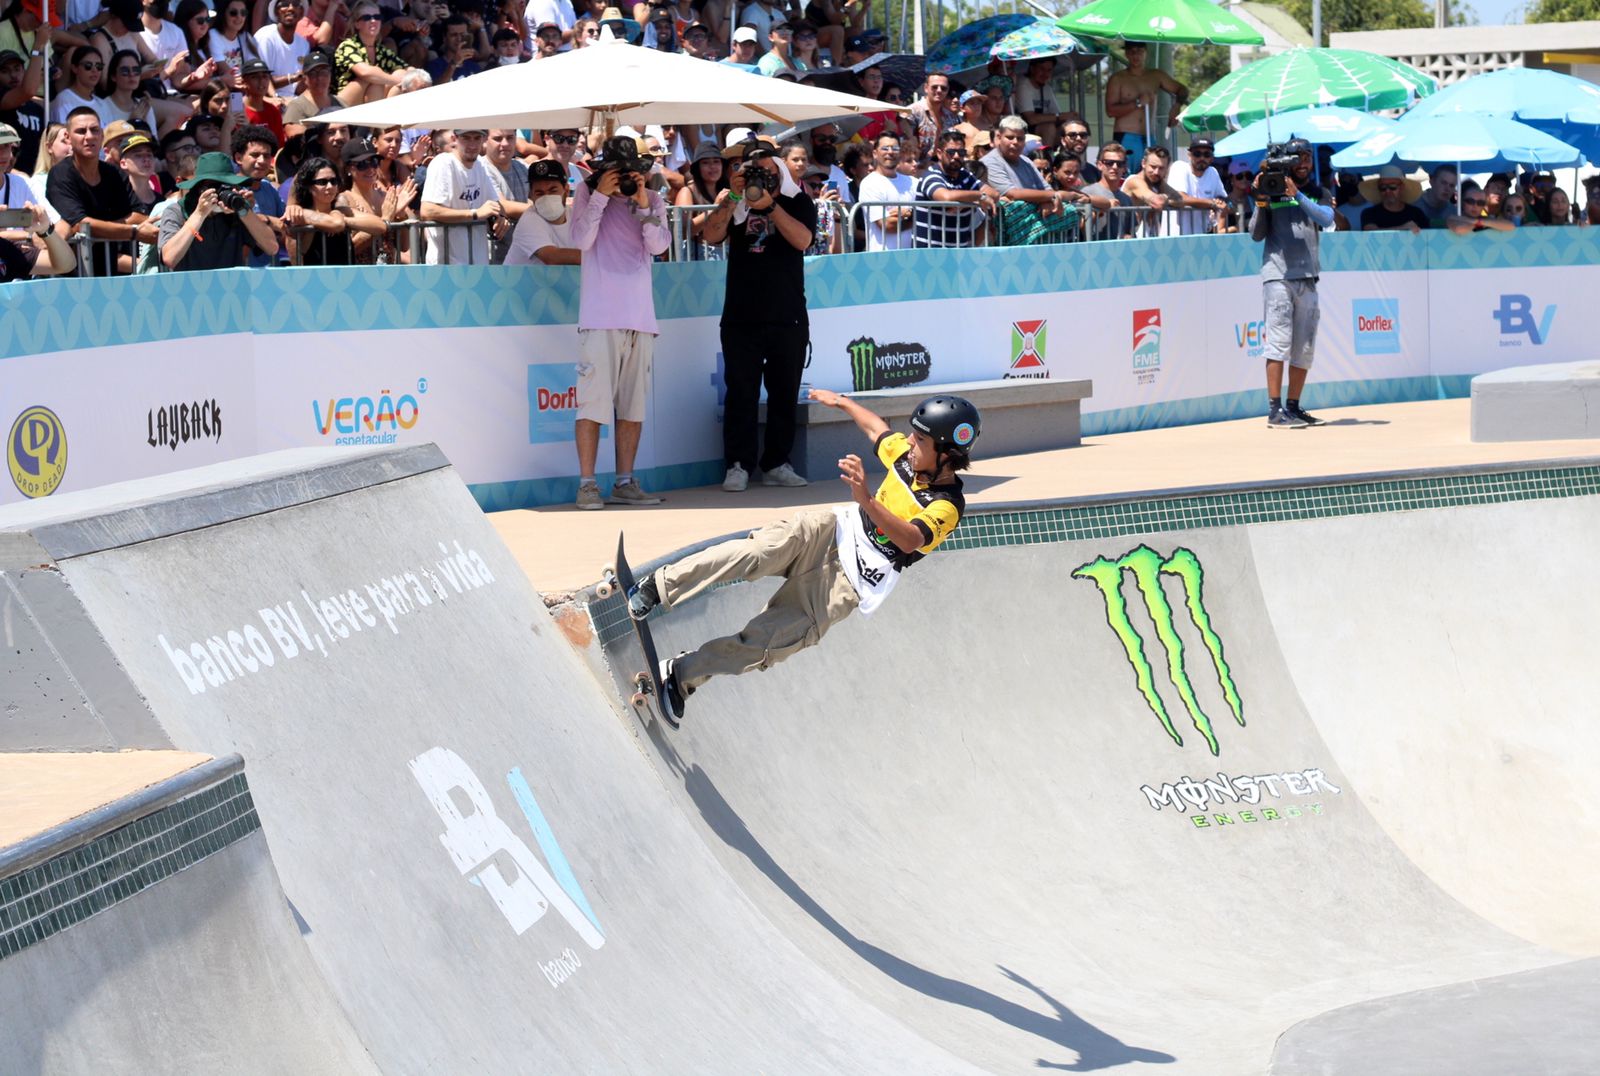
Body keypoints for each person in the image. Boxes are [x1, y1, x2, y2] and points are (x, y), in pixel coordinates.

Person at [626, 391, 980, 720]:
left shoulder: (947, 506)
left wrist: (867, 500)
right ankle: (658, 586)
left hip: (846, 585)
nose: (910, 444)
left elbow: (910, 539)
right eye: (912, 436)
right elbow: (877, 429)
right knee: (755, 551)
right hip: (829, 532)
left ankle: (681, 675)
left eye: (920, 441)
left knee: (763, 646)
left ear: (947, 455)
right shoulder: (905, 455)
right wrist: (841, 402)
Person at [697, 136, 815, 492]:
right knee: (741, 393)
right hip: (741, 315)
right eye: (754, 170)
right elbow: (711, 235)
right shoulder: (733, 200)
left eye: (767, 169)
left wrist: (770, 206)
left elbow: (803, 240)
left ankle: (777, 462)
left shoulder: (797, 200)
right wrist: (734, 198)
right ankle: (738, 464)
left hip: (787, 314)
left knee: (784, 393)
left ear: (778, 169)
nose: (762, 176)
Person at [568, 135, 669, 509]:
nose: (626, 178)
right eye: (619, 172)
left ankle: (625, 482)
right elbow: (580, 240)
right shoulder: (585, 192)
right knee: (591, 405)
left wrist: (642, 204)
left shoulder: (651, 198)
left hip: (640, 318)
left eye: (631, 172)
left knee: (633, 408)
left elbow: (659, 246)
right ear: (605, 170)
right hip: (600, 317)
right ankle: (587, 484)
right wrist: (600, 195)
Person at [1249, 138, 1334, 430]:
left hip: (1308, 276)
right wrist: (1262, 200)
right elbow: (1256, 234)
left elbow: (1326, 218)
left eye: (1307, 156)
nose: (1303, 162)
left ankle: (1294, 407)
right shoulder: (1270, 187)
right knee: (1278, 344)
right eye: (1297, 157)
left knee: (1304, 347)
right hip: (1278, 276)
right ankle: (1275, 411)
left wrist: (1297, 195)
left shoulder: (1318, 192)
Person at [46, 106, 158, 274]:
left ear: (101, 136)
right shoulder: (60, 174)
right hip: (71, 277)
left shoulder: (113, 173)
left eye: (94, 130)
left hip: (110, 273)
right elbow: (79, 223)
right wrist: (133, 232)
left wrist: (100, 228)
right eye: (81, 131)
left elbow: (137, 215)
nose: (89, 136)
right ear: (68, 138)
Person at [157, 149, 278, 269]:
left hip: (230, 281)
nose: (222, 192)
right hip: (190, 281)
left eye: (227, 185)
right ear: (199, 188)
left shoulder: (237, 212)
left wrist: (245, 211)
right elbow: (169, 258)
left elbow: (272, 248)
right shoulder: (177, 211)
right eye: (214, 186)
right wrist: (199, 214)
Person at [419, 128, 505, 265]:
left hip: (477, 264)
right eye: (466, 138)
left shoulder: (480, 164)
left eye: (477, 138)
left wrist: (500, 218)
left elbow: (495, 204)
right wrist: (475, 214)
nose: (472, 145)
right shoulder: (443, 163)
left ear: (483, 140)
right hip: (446, 266)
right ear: (454, 139)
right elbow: (427, 211)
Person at [1105, 41, 1185, 168]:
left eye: (1139, 51)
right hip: (1127, 136)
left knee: (1151, 174)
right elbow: (1110, 111)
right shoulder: (1118, 79)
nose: (1135, 55)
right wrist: (1137, 103)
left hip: (1149, 136)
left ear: (1146, 52)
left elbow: (1182, 90)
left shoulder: (1156, 75)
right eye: (1132, 51)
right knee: (1126, 175)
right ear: (1126, 53)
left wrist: (1176, 106)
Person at [914, 128, 997, 249]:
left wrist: (965, 203)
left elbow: (994, 194)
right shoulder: (931, 176)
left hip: (957, 253)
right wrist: (979, 196)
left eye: (961, 152)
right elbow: (946, 197)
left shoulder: (965, 176)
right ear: (939, 153)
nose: (957, 156)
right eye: (951, 152)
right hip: (928, 253)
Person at [1121, 145, 1223, 237]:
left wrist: (1172, 199)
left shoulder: (1158, 183)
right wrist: (1210, 203)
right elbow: (1157, 202)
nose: (1156, 172)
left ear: (1167, 168)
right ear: (1143, 163)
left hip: (1143, 239)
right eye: (1153, 167)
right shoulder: (1135, 181)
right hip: (1125, 239)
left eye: (1161, 168)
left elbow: (1180, 199)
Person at [506, 158, 579, 265]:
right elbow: (552, 257)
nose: (547, 197)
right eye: (539, 193)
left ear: (566, 190)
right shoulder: (529, 221)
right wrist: (595, 257)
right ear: (531, 196)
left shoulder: (574, 216)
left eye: (553, 190)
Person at [857, 130, 913, 252]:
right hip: (882, 258)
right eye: (885, 148)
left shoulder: (913, 182)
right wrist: (915, 217)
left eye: (895, 148)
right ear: (875, 153)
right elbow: (887, 225)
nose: (890, 152)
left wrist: (909, 213)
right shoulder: (869, 183)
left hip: (913, 257)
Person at [677, 138, 727, 259]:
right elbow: (682, 230)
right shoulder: (687, 192)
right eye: (705, 163)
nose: (712, 166)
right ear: (697, 168)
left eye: (716, 161)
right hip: (699, 258)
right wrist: (715, 208)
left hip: (727, 254)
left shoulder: (727, 191)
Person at [1165, 137, 1225, 235]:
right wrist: (1211, 203)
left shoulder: (1213, 172)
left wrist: (1220, 202)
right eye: (1197, 154)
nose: (1202, 158)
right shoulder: (1179, 167)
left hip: (1200, 237)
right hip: (1175, 237)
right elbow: (1177, 199)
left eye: (1206, 154)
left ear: (1212, 157)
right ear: (1189, 155)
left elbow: (1222, 198)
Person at [906, 71, 956, 172]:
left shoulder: (950, 116)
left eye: (943, 88)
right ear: (926, 88)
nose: (939, 90)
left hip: (944, 170)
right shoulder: (912, 112)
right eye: (934, 87)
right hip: (917, 170)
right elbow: (905, 146)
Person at [1013, 57, 1068, 145]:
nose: (1045, 74)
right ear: (1032, 69)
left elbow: (1056, 114)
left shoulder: (1046, 88)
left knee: (1069, 127)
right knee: (1049, 127)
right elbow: (1031, 119)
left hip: (1039, 131)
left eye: (1049, 70)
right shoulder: (1023, 85)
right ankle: (1046, 153)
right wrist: (1061, 116)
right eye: (1042, 69)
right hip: (1021, 131)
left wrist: (1070, 119)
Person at [255, 0, 309, 86]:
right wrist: (292, 78)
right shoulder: (265, 36)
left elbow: (299, 86)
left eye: (296, 4)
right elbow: (261, 81)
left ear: (301, 12)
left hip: (296, 95)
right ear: (276, 11)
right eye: (284, 4)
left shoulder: (304, 44)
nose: (291, 8)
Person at [1358, 166, 1426, 232]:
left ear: (1402, 187)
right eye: (1383, 187)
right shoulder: (1370, 213)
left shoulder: (1416, 213)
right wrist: (1403, 228)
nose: (1387, 191)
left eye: (1392, 187)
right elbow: (1370, 232)